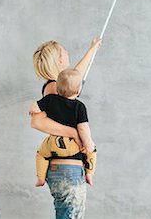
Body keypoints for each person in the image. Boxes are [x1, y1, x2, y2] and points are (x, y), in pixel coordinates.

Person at [31, 38, 101, 219]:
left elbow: (76, 73)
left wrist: (92, 50)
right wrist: (74, 134)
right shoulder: (54, 88)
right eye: (64, 51)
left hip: (63, 169)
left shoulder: (59, 86)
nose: (68, 53)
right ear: (59, 60)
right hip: (67, 170)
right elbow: (37, 122)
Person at [29, 68, 97, 187]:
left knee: (41, 154)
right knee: (92, 150)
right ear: (77, 91)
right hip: (72, 146)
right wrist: (88, 144)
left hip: (53, 144)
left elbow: (34, 107)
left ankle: (40, 178)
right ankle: (90, 174)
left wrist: (32, 111)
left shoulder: (50, 100)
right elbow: (83, 128)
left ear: (57, 88)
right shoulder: (79, 107)